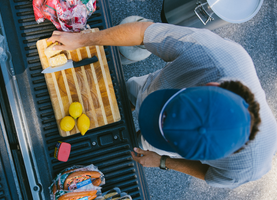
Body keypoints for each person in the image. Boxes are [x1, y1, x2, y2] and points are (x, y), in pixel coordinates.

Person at [47, 22, 277, 189]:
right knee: (129, 90)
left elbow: (209, 173)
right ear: (211, 84)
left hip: (164, 112)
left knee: (138, 143)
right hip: (154, 87)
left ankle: (147, 137)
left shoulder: (246, 168)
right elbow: (142, 32)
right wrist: (82, 39)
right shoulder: (210, 53)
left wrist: (163, 161)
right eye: (166, 110)